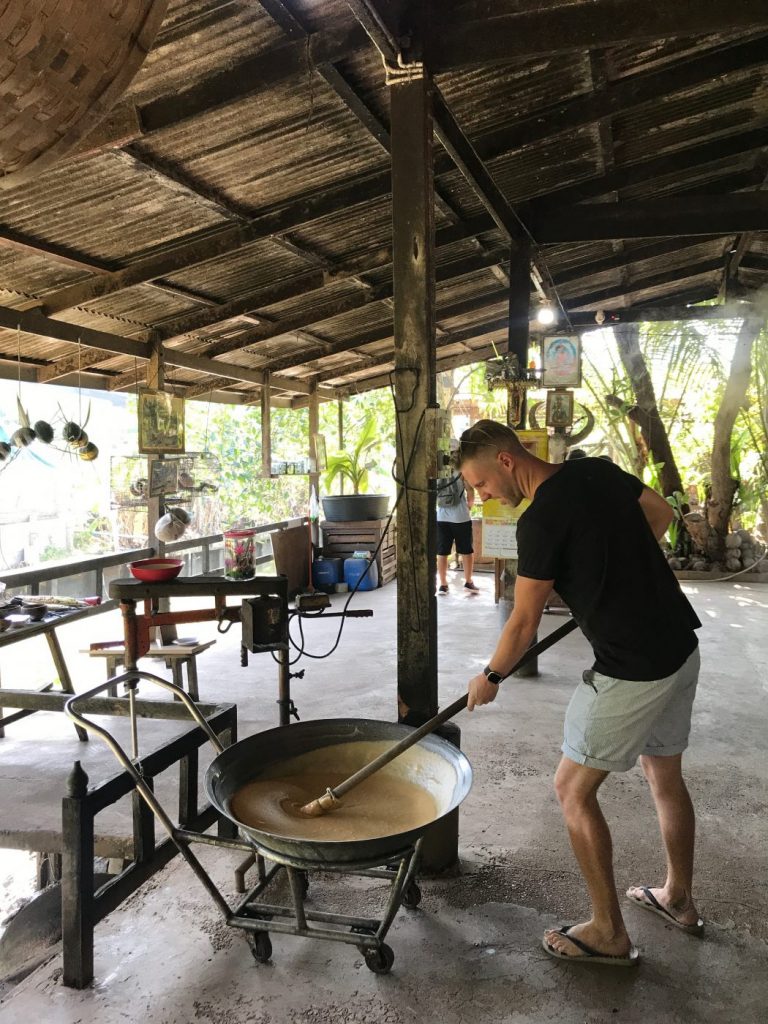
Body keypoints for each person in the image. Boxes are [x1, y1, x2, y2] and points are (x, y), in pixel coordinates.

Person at [455, 420, 702, 967]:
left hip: (633, 666)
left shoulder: (539, 522)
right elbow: (660, 514)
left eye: (481, 484)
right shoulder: (594, 470)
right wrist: (620, 570)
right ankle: (677, 897)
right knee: (663, 775)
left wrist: (490, 677)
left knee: (571, 790)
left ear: (506, 462)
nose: (483, 496)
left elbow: (523, 623)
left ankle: (609, 932)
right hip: (679, 647)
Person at [436, 458, 479, 594]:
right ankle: (468, 582)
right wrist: (468, 507)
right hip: (461, 518)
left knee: (442, 553)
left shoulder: (439, 472)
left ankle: (443, 584)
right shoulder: (462, 472)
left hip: (441, 518)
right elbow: (470, 493)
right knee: (466, 551)